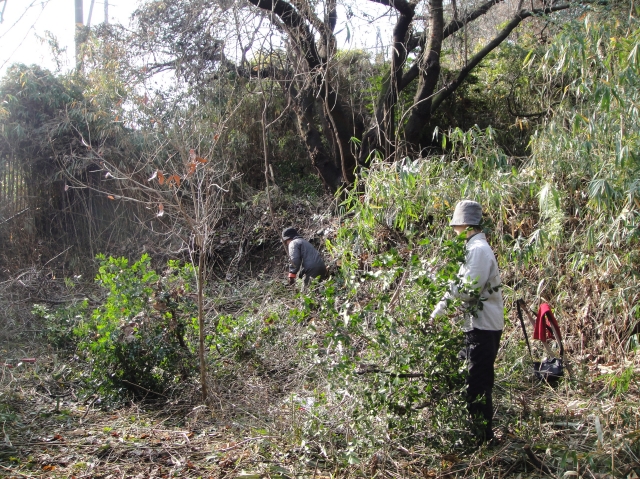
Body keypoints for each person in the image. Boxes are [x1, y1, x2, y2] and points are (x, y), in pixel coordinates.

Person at [430, 200, 504, 445]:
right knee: (470, 381)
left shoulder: (478, 250)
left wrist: (441, 308)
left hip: (483, 328)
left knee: (478, 385)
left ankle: (484, 441)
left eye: (456, 227)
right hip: (475, 327)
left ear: (464, 225)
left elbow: (467, 291)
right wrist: (437, 313)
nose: (454, 232)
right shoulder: (473, 249)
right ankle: (476, 435)